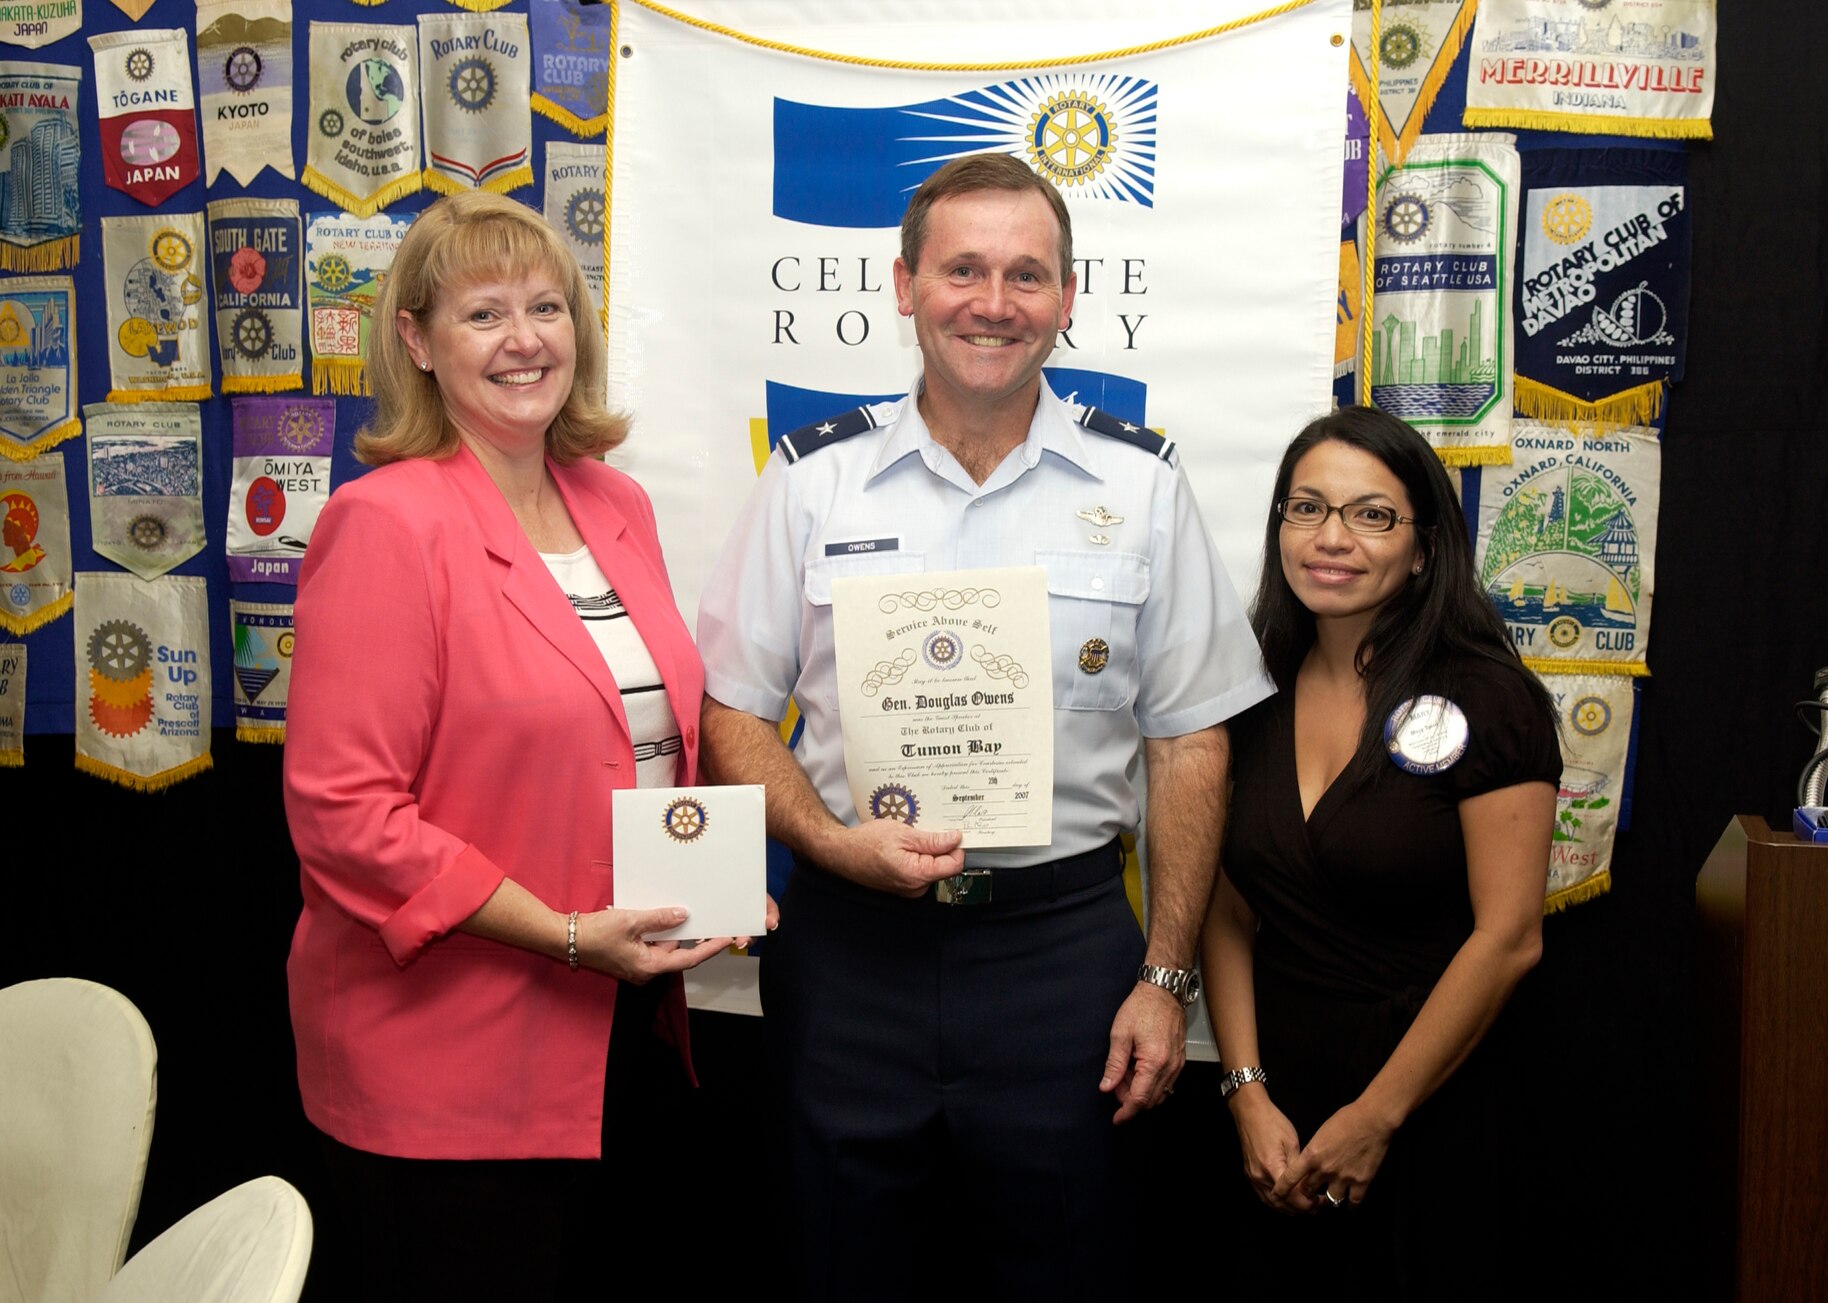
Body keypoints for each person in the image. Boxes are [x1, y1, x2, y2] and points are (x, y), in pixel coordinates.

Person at [697, 152, 1272, 1300]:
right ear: (903, 283)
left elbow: (1189, 739)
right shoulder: (812, 482)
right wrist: (823, 841)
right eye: (962, 269)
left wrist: (1165, 976)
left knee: (1073, 1268)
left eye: (1025, 275)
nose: (992, 303)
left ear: (1067, 298)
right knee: (834, 1266)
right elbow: (732, 714)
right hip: (851, 953)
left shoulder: (1143, 485)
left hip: (1059, 956)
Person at [283, 190, 766, 1302]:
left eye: (545, 306)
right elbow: (343, 816)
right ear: (415, 339)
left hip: (621, 1022)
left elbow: (639, 740)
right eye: (483, 312)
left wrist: (706, 886)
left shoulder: (615, 503)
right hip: (449, 1047)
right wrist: (560, 933)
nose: (523, 340)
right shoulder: (385, 523)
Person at [1201, 407, 1560, 1298]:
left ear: (1426, 546)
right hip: (1279, 1114)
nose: (1332, 538)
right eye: (1306, 507)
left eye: (1372, 514)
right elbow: (1229, 907)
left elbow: (1510, 936)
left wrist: (1376, 1115)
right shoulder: (1248, 689)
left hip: (1433, 1102)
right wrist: (1246, 1091)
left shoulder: (1488, 696)